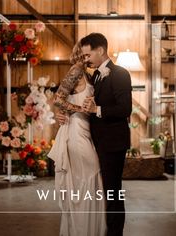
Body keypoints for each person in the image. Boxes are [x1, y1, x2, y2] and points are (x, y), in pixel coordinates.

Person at [48, 41, 107, 236]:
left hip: (86, 132)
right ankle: (83, 230)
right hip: (75, 134)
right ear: (79, 55)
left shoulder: (90, 74)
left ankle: (87, 229)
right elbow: (58, 99)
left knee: (87, 182)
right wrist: (79, 109)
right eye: (85, 55)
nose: (87, 58)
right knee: (88, 177)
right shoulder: (75, 70)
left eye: (89, 54)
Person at [80, 33, 132, 236]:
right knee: (106, 190)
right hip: (99, 142)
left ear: (100, 51)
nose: (86, 59)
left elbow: (125, 109)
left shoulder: (120, 73)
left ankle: (115, 233)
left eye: (87, 55)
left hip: (113, 143)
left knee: (113, 191)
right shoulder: (96, 75)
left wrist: (97, 110)